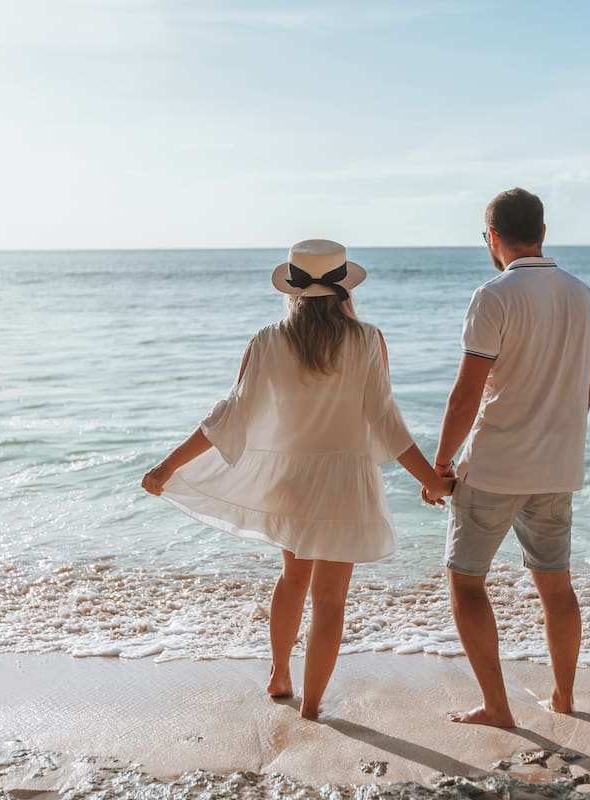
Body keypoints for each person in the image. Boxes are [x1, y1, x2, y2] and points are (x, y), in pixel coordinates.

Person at [141, 239, 455, 720]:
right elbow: (386, 422)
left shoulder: (267, 340)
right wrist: (432, 480)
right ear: (342, 288)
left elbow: (228, 417)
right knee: (330, 600)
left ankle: (279, 674)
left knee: (292, 579)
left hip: (291, 481)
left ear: (291, 290)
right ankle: (310, 707)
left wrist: (169, 465)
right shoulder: (367, 338)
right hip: (346, 485)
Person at [429, 188, 590, 727]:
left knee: (466, 581)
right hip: (558, 465)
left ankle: (498, 707)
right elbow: (586, 388)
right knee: (556, 585)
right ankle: (564, 697)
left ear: (494, 237)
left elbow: (466, 395)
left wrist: (440, 466)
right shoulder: (585, 296)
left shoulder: (494, 295)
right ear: (543, 233)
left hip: (498, 465)